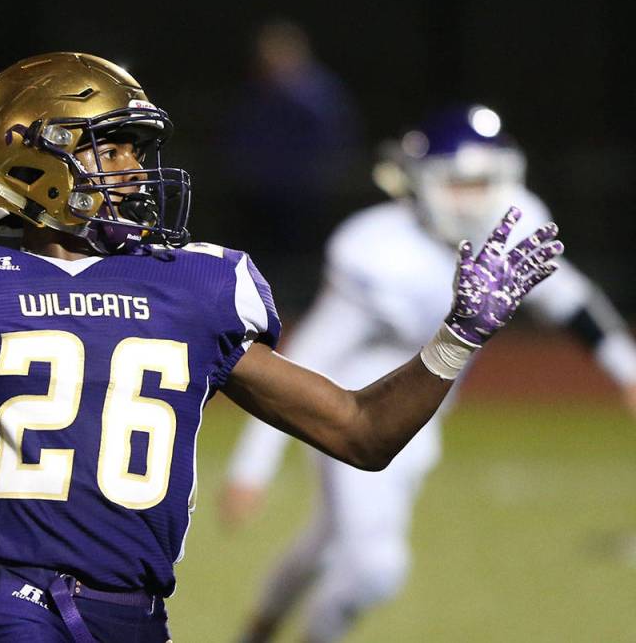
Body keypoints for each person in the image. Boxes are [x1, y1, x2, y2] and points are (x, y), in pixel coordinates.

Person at [0, 56, 562, 643]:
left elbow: (359, 432)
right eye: (108, 147)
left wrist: (459, 338)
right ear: (27, 161)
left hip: (137, 613)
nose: (131, 169)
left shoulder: (193, 291)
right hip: (10, 602)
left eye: (135, 150)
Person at [220, 103, 636, 643]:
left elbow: (570, 301)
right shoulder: (377, 248)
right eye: (459, 182)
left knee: (326, 542)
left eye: (486, 181)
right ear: (422, 181)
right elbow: (306, 360)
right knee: (375, 568)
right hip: (355, 405)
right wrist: (253, 466)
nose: (475, 196)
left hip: (422, 419)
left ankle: (258, 628)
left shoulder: (513, 223)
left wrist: (626, 370)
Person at [222, 19, 362, 314]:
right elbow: (239, 138)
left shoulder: (317, 93)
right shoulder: (257, 92)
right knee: (261, 267)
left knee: (303, 273)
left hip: (305, 198)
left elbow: (334, 142)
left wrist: (320, 179)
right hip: (259, 197)